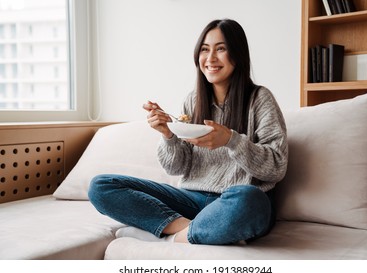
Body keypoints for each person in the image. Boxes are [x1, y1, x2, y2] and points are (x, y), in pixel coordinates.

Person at [88, 19, 288, 245]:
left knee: (250, 199)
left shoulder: (260, 99)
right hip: (191, 198)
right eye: (205, 49)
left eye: (220, 49)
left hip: (235, 200)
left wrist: (231, 140)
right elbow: (176, 168)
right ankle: (196, 231)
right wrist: (168, 135)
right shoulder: (192, 101)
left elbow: (277, 167)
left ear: (237, 53)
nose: (210, 58)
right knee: (101, 186)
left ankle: (169, 237)